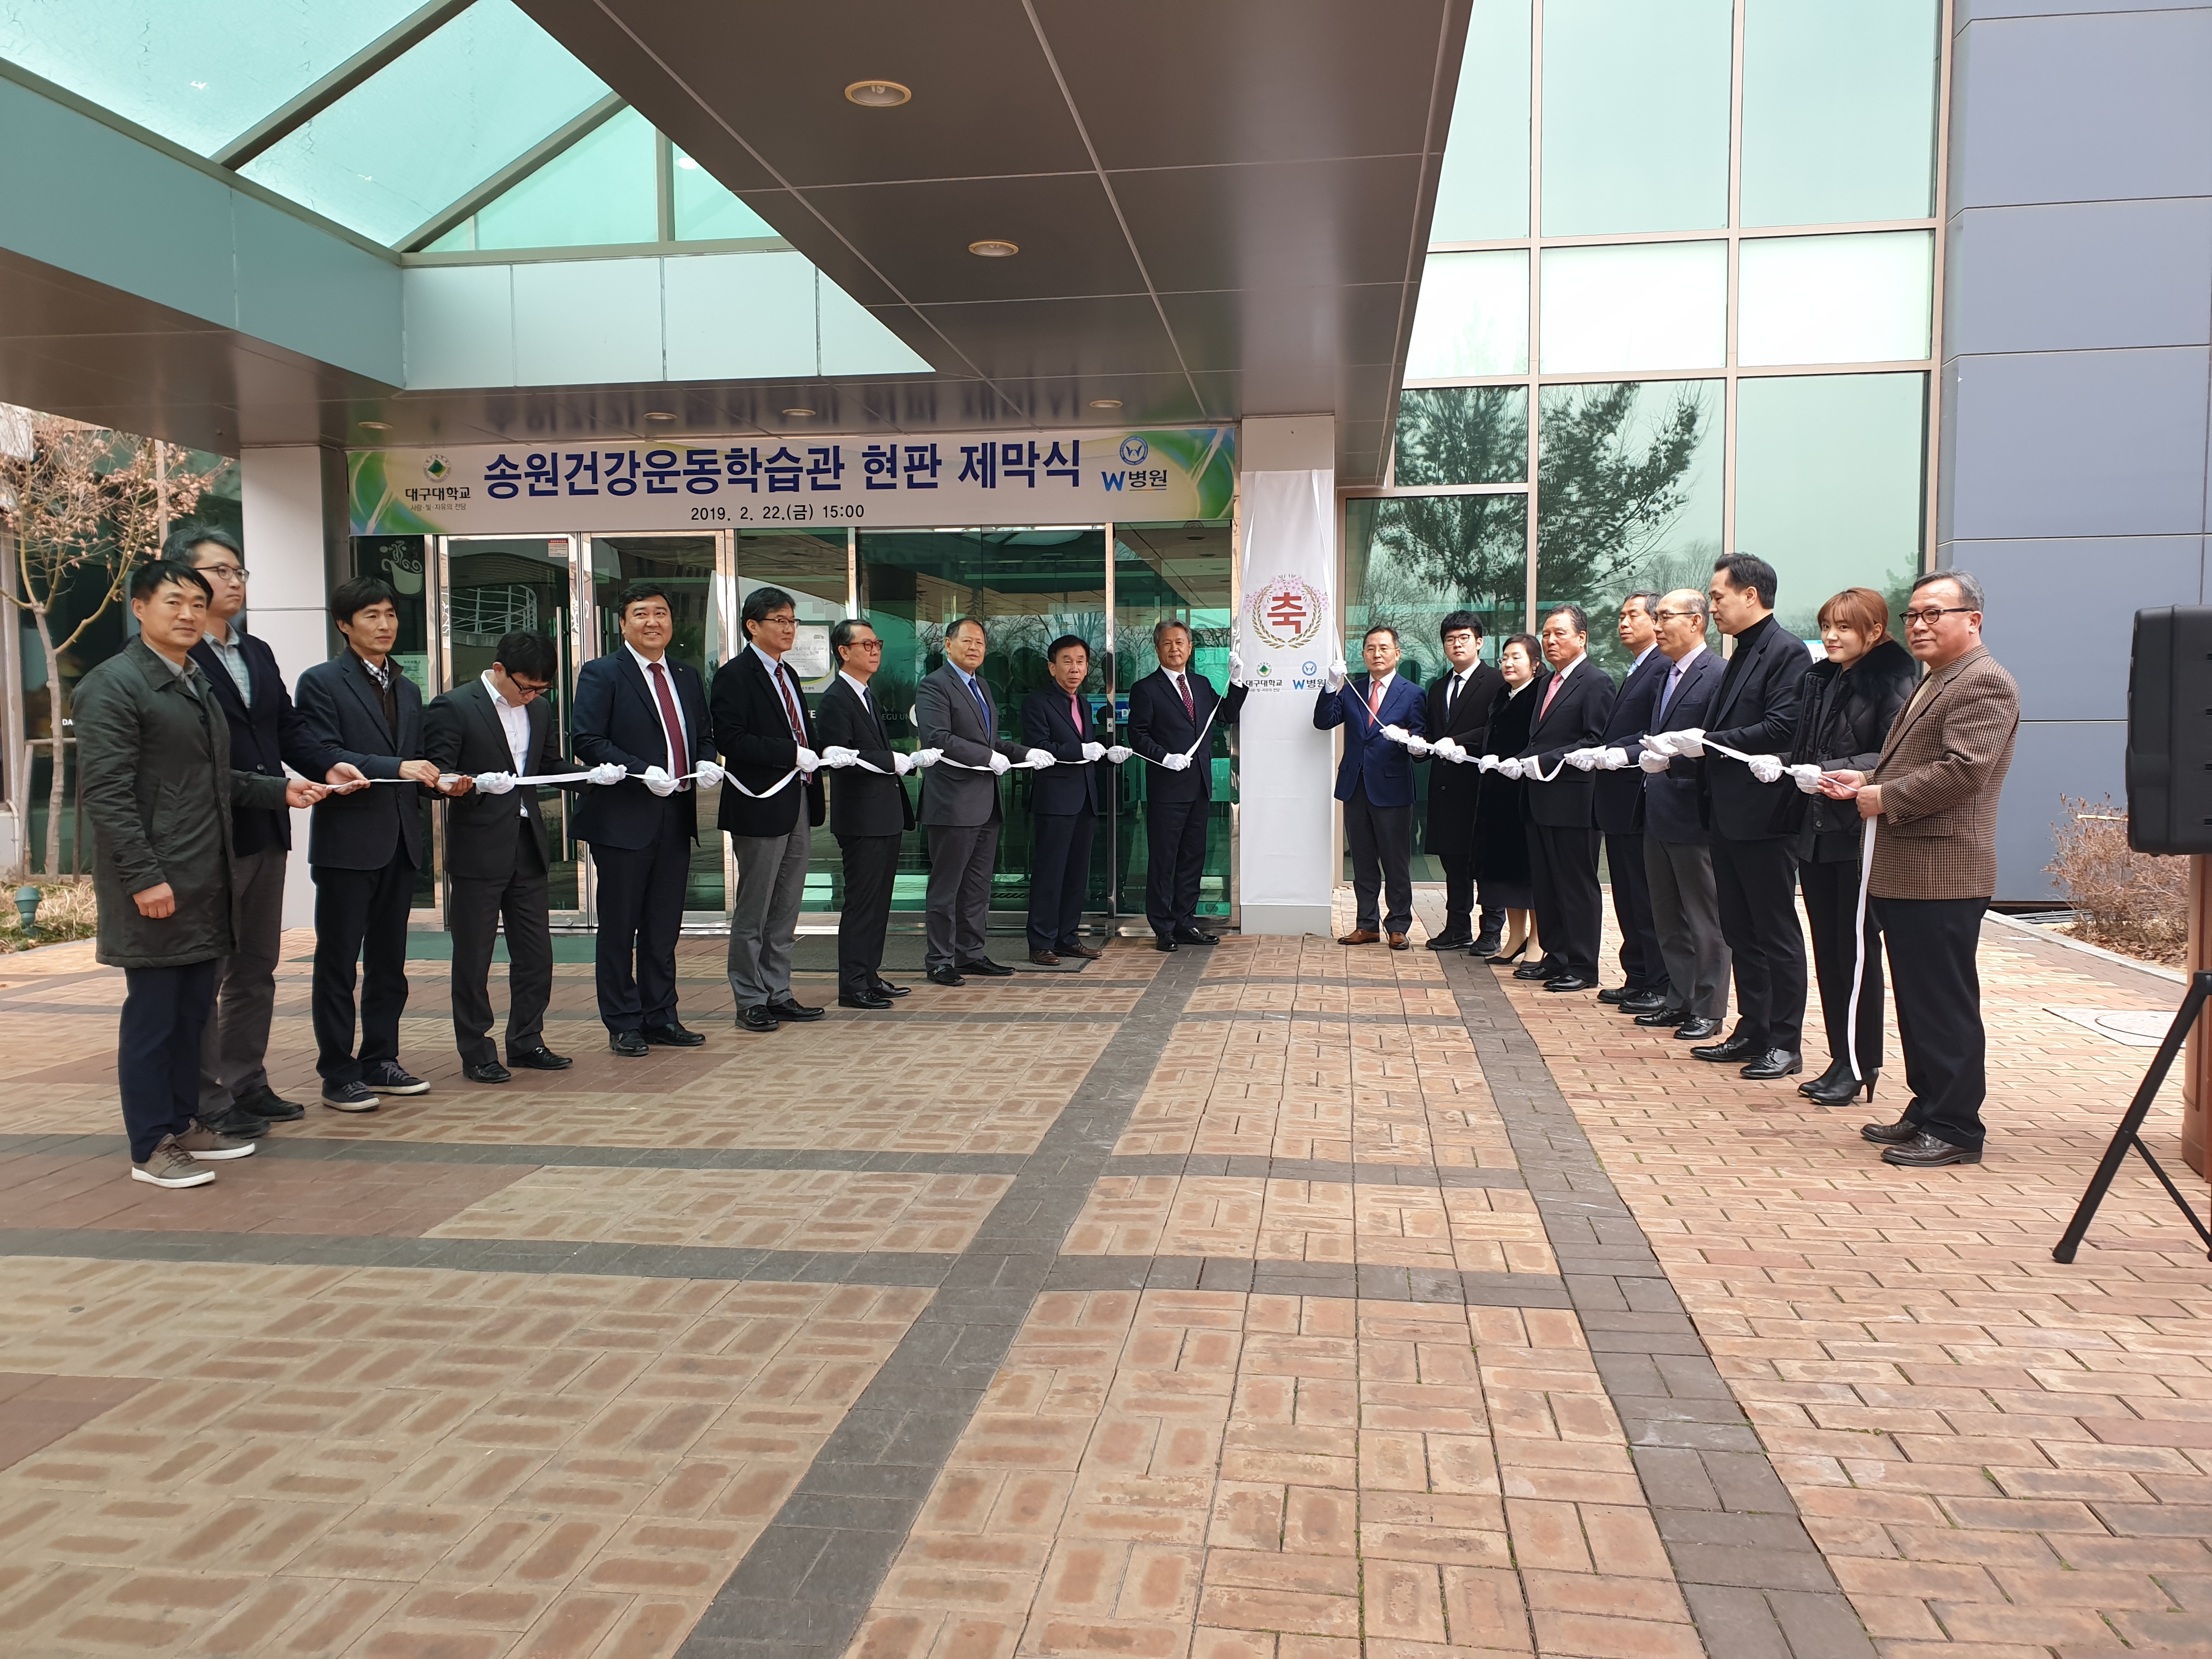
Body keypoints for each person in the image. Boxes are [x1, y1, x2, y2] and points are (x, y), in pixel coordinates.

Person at [75, 560, 321, 1186]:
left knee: (191, 1014)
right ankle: (150, 1144)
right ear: (139, 608)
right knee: (154, 1017)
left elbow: (209, 779)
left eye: (195, 603)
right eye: (172, 602)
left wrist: (278, 791)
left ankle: (185, 1123)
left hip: (203, 877)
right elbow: (106, 794)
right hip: (157, 882)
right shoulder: (115, 685)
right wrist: (143, 877)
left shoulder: (192, 680)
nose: (187, 614)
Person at [1822, 572, 2018, 1167]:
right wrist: (1867, 778)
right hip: (1909, 869)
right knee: (1917, 1001)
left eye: (1935, 613)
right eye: (1913, 615)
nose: (1919, 625)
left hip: (1944, 871)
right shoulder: (1939, 677)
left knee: (1942, 1002)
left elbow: (1964, 771)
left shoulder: (1984, 681)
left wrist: (1885, 797)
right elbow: (1915, 759)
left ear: (1973, 620)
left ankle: (1956, 1126)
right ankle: (1929, 1106)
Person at [174, 526, 352, 1138]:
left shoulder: (255, 651)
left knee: (255, 967)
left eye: (239, 572)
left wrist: (328, 765)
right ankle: (205, 1095)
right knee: (208, 972)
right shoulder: (174, 657)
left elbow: (288, 730)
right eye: (219, 571)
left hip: (265, 829)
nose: (234, 582)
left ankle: (246, 1080)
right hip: (205, 837)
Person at [298, 577, 470, 1110]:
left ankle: (381, 1060)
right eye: (371, 615)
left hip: (400, 842)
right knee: (338, 963)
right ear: (344, 625)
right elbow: (323, 752)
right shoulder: (321, 682)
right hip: (347, 846)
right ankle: (337, 1072)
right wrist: (399, 767)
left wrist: (442, 783)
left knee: (389, 963)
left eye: (391, 614)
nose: (385, 625)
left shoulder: (408, 687)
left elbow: (415, 763)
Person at [425, 629, 600, 1083]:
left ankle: (526, 1040)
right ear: (499, 669)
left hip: (527, 844)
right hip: (478, 847)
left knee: (536, 954)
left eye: (542, 689)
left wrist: (592, 777)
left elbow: (547, 767)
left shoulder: (538, 709)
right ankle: (476, 1051)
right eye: (526, 687)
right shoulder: (455, 706)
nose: (532, 696)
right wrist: (472, 786)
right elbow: (437, 776)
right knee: (474, 957)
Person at [1673, 554, 1812, 1081]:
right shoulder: (1741, 653)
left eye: (1718, 597)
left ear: (1751, 595)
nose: (1713, 607)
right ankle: (1753, 1028)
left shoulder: (1785, 651)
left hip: (1764, 818)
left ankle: (1786, 1042)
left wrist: (1708, 743)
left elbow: (1782, 727)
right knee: (1740, 929)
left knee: (1775, 932)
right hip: (1727, 818)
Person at [571, 582, 720, 1055]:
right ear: (623, 623)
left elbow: (703, 734)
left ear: (672, 622)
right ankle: (623, 1022)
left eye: (660, 612)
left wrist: (706, 760)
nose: (652, 621)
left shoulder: (686, 674)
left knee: (663, 926)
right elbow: (587, 739)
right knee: (620, 927)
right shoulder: (602, 673)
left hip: (675, 816)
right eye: (641, 613)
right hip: (623, 819)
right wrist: (640, 770)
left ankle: (662, 1016)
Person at [1782, 590, 1914, 1105]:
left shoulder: (1892, 680)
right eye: (1826, 626)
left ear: (1875, 631)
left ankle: (1861, 1063)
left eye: (1844, 627)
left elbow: (1893, 755)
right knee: (1830, 951)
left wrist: (1833, 769)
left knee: (1856, 954)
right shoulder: (1823, 679)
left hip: (1859, 833)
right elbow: (1807, 747)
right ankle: (1842, 1057)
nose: (1832, 636)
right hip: (1817, 828)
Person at [712, 586, 827, 1035]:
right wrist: (789, 753)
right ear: (752, 626)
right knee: (755, 907)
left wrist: (819, 753)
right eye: (779, 620)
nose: (788, 629)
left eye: (792, 621)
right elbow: (731, 739)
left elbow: (801, 733)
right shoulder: (735, 675)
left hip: (797, 799)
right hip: (759, 803)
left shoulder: (788, 674)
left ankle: (778, 991)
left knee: (786, 906)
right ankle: (750, 998)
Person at [917, 617, 1054, 983]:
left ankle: (971, 954)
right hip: (953, 803)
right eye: (967, 641)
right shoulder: (935, 685)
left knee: (978, 887)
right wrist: (987, 757)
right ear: (948, 645)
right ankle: (940, 960)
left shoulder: (982, 687)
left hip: (986, 803)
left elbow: (990, 742)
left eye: (980, 642)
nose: (975, 648)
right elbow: (939, 738)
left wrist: (1026, 753)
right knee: (947, 888)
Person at [1632, 590, 1730, 1042]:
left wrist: (1676, 761)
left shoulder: (1716, 674)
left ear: (1696, 621)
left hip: (1693, 815)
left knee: (1703, 918)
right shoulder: (1666, 675)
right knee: (1667, 915)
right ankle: (1680, 998)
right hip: (1658, 810)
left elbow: (1718, 747)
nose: (1657, 626)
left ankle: (1709, 1008)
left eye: (1665, 617)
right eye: (1655, 617)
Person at [815, 617, 919, 1009]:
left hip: (884, 815)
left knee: (879, 903)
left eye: (877, 645)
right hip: (862, 818)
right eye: (866, 645)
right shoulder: (836, 699)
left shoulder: (866, 695)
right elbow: (840, 757)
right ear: (844, 651)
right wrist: (891, 760)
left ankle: (870, 975)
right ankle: (853, 984)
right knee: (862, 903)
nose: (875, 651)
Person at [1509, 605, 1615, 991]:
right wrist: (1517, 760)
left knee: (1575, 885)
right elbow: (1540, 739)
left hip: (1574, 803)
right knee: (1547, 884)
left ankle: (1583, 966)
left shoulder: (1596, 682)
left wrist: (1542, 761)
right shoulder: (1547, 683)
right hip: (1540, 800)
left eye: (1559, 634)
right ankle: (1555, 957)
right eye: (1546, 634)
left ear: (1582, 638)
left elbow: (1594, 740)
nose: (1550, 641)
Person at [1128, 620, 1247, 951]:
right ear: (1157, 649)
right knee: (1163, 860)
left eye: (1180, 642)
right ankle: (1162, 927)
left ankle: (1185, 922)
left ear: (1190, 647)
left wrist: (1237, 681)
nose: (1175, 649)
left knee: (1193, 858)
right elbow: (1137, 735)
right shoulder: (1146, 689)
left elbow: (1226, 715)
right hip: (1167, 788)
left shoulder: (1201, 683)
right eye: (1167, 643)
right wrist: (1164, 757)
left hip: (1199, 787)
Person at [1583, 593, 1671, 1012]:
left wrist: (1616, 751)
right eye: (1620, 616)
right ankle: (1637, 975)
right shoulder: (1637, 667)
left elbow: (1655, 730)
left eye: (1633, 615)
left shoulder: (1662, 667)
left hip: (1639, 797)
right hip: (1618, 801)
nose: (1623, 623)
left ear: (1656, 621)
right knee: (1628, 895)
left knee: (1646, 896)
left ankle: (1658, 981)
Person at [1314, 624, 1426, 949]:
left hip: (1393, 789)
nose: (1377, 654)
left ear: (1397, 654)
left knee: (1395, 862)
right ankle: (1367, 925)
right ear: (1363, 654)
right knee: (1362, 862)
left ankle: (1398, 926)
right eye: (1370, 649)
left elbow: (1420, 740)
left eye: (1384, 648)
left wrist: (1409, 740)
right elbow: (1323, 721)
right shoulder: (1352, 689)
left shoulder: (1413, 694)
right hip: (1356, 785)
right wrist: (1330, 686)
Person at [1021, 635, 1115, 965]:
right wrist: (1081, 750)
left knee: (1077, 874)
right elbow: (1039, 748)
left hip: (1085, 799)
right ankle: (1041, 942)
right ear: (1052, 667)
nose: (1075, 668)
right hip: (1055, 801)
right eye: (1067, 661)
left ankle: (1067, 937)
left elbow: (1085, 753)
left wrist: (1107, 754)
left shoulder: (1084, 704)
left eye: (1081, 662)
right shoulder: (1037, 703)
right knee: (1050, 873)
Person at [1418, 612, 1504, 952]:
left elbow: (1499, 729)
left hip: (1482, 788)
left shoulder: (1497, 681)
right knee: (1453, 864)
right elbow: (1434, 733)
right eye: (1450, 640)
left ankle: (1491, 931)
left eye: (1464, 638)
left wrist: (1461, 742)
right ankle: (1457, 928)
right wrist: (1418, 745)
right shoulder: (1438, 687)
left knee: (1486, 862)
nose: (1457, 645)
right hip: (1446, 789)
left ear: (1479, 642)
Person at [1474, 634, 1543, 964]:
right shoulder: (1502, 695)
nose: (1508, 663)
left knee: (1528, 872)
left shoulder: (1539, 694)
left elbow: (1543, 740)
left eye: (1517, 657)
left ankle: (1538, 941)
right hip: (1496, 795)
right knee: (1505, 874)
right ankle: (1516, 937)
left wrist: (1517, 761)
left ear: (1535, 664)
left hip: (1525, 793)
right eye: (1504, 658)